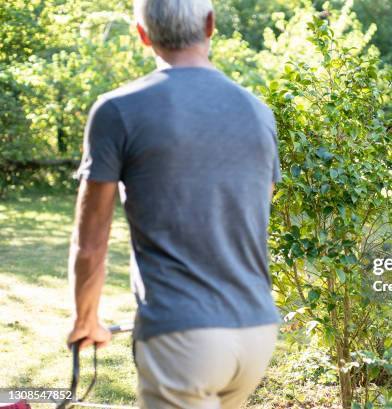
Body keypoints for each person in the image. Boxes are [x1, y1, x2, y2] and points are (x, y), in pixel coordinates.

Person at [66, 1, 280, 408]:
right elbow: (256, 209)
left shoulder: (117, 110)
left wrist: (85, 320)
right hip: (257, 330)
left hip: (184, 339)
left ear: (142, 33)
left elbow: (91, 243)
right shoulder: (259, 112)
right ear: (211, 25)